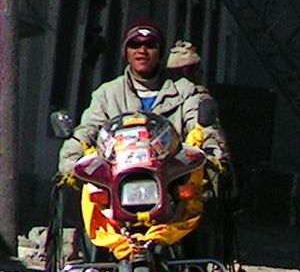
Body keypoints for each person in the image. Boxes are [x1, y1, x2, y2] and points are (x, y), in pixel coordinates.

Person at [58, 20, 224, 175]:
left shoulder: (185, 90)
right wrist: (71, 158)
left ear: (160, 52)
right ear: (126, 52)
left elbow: (202, 129)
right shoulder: (107, 93)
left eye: (150, 45)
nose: (142, 51)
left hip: (172, 179)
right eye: (134, 45)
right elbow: (87, 130)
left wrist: (211, 151)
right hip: (116, 179)